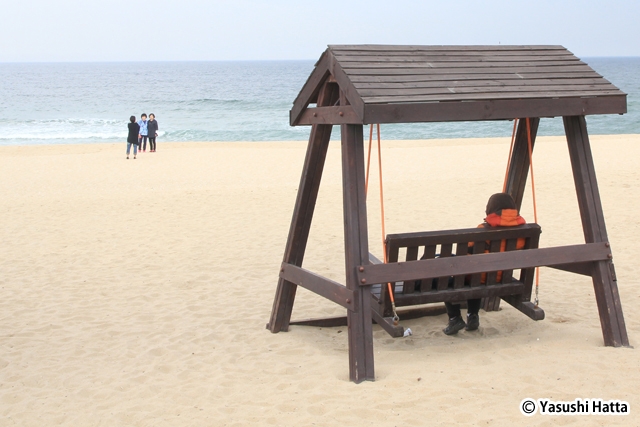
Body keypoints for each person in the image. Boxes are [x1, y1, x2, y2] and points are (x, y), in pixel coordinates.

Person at [443, 193, 526, 335]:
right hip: (502, 278)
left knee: (450, 275)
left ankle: (455, 317)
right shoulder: (523, 232)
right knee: (478, 274)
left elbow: (466, 253)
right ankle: (472, 315)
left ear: (490, 209)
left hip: (480, 276)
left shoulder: (483, 229)